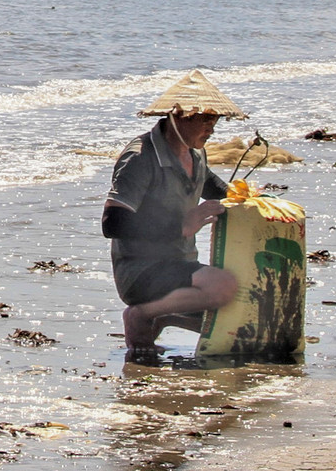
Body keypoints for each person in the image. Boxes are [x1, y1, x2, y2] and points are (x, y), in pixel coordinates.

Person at [101, 70, 247, 356]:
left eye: (215, 121)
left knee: (243, 307)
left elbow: (211, 185)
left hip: (180, 265)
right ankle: (142, 314)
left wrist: (248, 199)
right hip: (142, 270)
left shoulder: (194, 152)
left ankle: (163, 316)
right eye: (206, 120)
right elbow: (112, 223)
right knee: (224, 286)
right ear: (179, 116)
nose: (212, 129)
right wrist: (180, 226)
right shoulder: (141, 157)